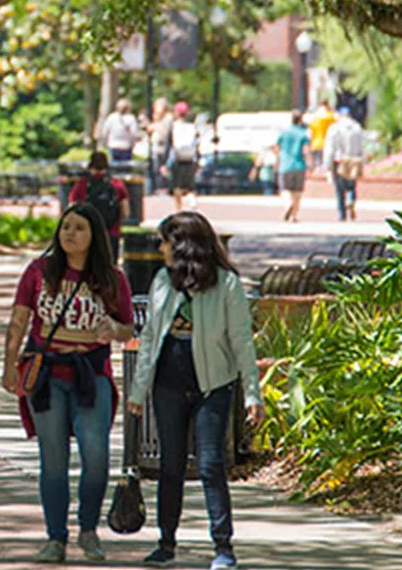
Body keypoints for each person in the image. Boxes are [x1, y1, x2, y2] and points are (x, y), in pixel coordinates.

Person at [127, 212, 264, 570]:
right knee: (169, 466)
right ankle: (166, 544)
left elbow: (242, 343)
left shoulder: (226, 284)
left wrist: (252, 393)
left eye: (165, 241)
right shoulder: (162, 281)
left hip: (212, 386)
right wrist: (138, 391)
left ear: (183, 244)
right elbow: (149, 341)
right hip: (167, 386)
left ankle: (223, 548)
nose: (160, 248)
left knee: (211, 465)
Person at [3, 203, 134, 563]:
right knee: (53, 460)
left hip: (91, 375)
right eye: (65, 227)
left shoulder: (111, 277)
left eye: (78, 228)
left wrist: (114, 330)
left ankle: (88, 530)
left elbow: (128, 329)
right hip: (47, 378)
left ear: (94, 236)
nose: (69, 234)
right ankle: (55, 538)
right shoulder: (38, 272)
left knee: (97, 457)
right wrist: (8, 364)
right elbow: (18, 322)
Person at [68, 152, 130, 262]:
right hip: (111, 233)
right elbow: (126, 212)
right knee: (110, 267)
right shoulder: (116, 184)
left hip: (87, 233)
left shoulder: (82, 184)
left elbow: (71, 208)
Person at [322, 107, 365, 222]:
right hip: (354, 159)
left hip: (339, 160)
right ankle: (351, 200)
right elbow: (362, 146)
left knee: (340, 189)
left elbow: (330, 148)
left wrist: (327, 165)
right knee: (351, 185)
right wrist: (362, 162)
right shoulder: (357, 128)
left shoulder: (335, 128)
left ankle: (342, 214)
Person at [273, 112, 312, 223]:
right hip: (299, 165)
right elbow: (306, 150)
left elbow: (276, 147)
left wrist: (278, 159)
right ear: (300, 120)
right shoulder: (303, 134)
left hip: (285, 165)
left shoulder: (284, 133)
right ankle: (293, 216)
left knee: (285, 189)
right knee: (297, 192)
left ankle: (288, 205)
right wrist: (310, 164)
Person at [167, 102, 200, 211]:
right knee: (190, 186)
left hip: (178, 158)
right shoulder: (192, 127)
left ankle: (179, 208)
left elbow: (169, 145)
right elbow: (196, 144)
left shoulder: (173, 127)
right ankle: (192, 201)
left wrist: (164, 163)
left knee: (177, 186)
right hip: (190, 159)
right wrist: (198, 160)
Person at [98, 99, 142, 164]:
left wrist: (105, 141)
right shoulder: (131, 118)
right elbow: (134, 133)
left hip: (114, 145)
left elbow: (105, 131)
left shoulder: (111, 117)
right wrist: (133, 142)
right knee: (126, 166)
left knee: (114, 165)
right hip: (126, 146)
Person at [306, 99, 335, 170]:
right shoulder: (331, 116)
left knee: (317, 164)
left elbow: (309, 131)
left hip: (316, 143)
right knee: (327, 166)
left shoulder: (315, 117)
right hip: (328, 143)